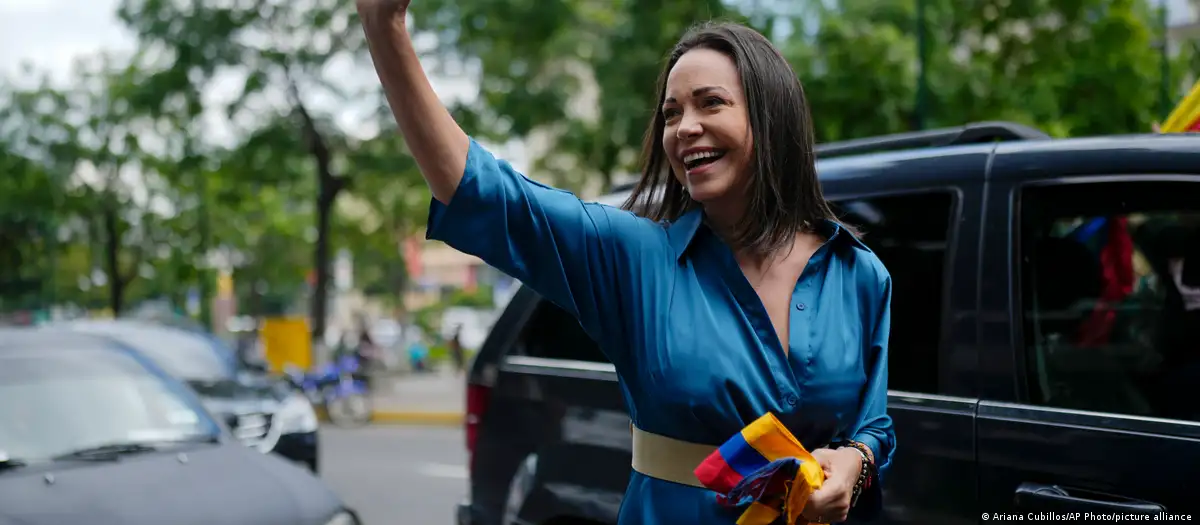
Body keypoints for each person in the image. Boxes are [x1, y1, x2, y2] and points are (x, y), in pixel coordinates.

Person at [357, 2, 894, 523]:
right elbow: (488, 194)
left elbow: (874, 425)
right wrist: (386, 26)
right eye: (671, 112)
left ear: (771, 118)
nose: (684, 127)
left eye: (711, 103)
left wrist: (856, 461)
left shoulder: (858, 273)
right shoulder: (636, 259)